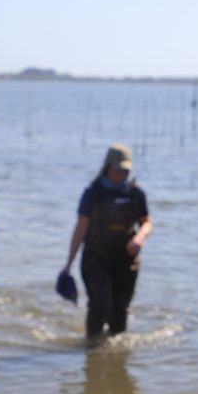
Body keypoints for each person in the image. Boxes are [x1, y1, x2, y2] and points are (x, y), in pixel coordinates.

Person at [62, 144, 151, 338]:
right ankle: (91, 350)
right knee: (100, 306)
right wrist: (68, 264)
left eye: (126, 170)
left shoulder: (135, 194)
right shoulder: (93, 192)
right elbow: (80, 228)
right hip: (96, 258)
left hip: (126, 261)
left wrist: (140, 237)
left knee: (120, 315)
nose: (122, 174)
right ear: (108, 167)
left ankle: (114, 357)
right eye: (118, 170)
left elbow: (146, 222)